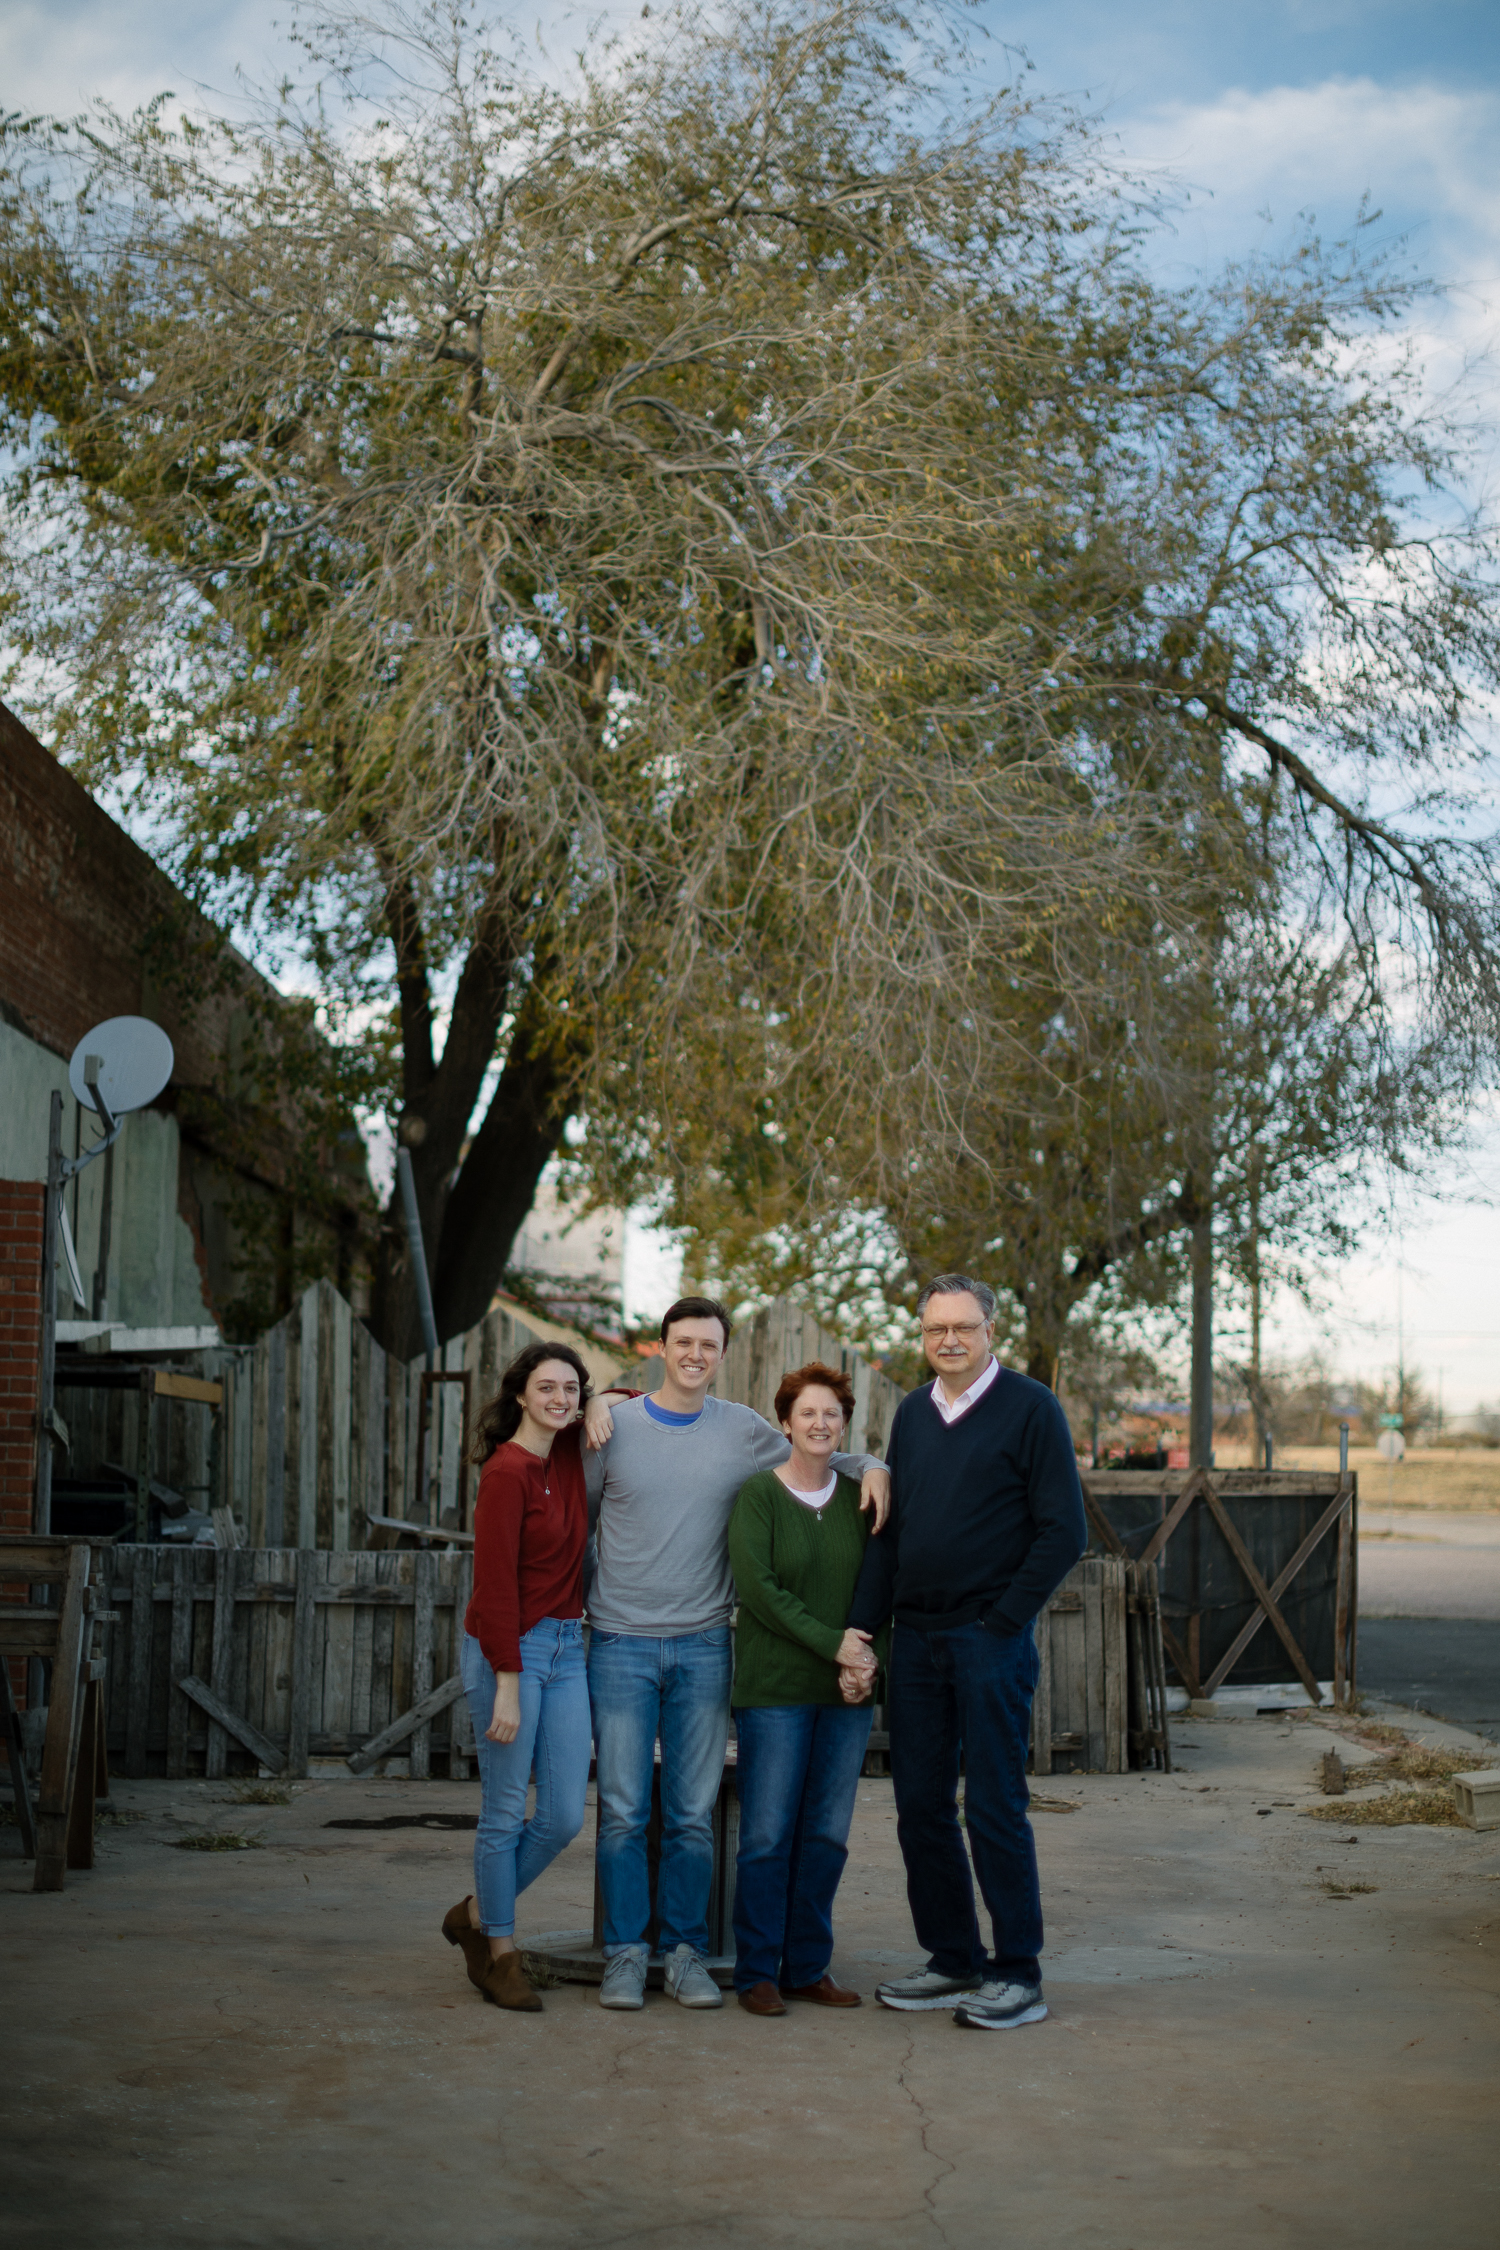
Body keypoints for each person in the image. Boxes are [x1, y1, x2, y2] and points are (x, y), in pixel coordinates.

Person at [582, 1296, 890, 2012]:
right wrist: (597, 1608)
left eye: (708, 1345)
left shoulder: (743, 1430)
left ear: (722, 1354)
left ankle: (686, 1952)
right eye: (682, 1342)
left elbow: (817, 1450)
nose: (695, 1354)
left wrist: (874, 1463)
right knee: (625, 1810)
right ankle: (628, 1955)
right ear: (660, 1348)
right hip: (621, 1645)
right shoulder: (615, 1427)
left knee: (691, 1814)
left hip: (702, 1643)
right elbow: (583, 1519)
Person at [841, 1274, 1086, 2031]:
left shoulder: (1030, 1408)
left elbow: (1063, 1531)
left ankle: (1017, 1974)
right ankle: (952, 1960)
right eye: (934, 1329)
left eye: (963, 1328)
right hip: (914, 1641)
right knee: (919, 1806)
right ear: (923, 1336)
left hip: (988, 1642)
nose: (948, 1340)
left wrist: (1002, 1622)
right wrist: (863, 1627)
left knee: (993, 1807)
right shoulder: (914, 1413)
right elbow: (892, 1532)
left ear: (990, 1332)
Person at [726, 1361, 885, 2017]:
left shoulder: (861, 1499)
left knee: (827, 1835)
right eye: (808, 1413)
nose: (820, 1423)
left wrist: (863, 1658)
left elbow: (880, 1584)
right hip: (776, 1692)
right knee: (768, 1834)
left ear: (844, 1424)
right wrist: (834, 1646)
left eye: (832, 1414)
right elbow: (760, 1593)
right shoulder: (759, 1496)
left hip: (847, 1694)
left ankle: (807, 1966)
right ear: (785, 1423)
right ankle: (757, 1971)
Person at [443, 1342, 595, 2012]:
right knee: (505, 1811)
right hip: (513, 1651)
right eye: (546, 1388)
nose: (559, 1399)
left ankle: (474, 1910)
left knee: (562, 1815)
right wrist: (506, 1676)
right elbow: (495, 1585)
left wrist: (604, 1406)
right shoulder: (505, 1473)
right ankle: (500, 1953)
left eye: (571, 1389)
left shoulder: (565, 1454)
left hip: (568, 1649)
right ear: (521, 1395)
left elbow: (620, 1399)